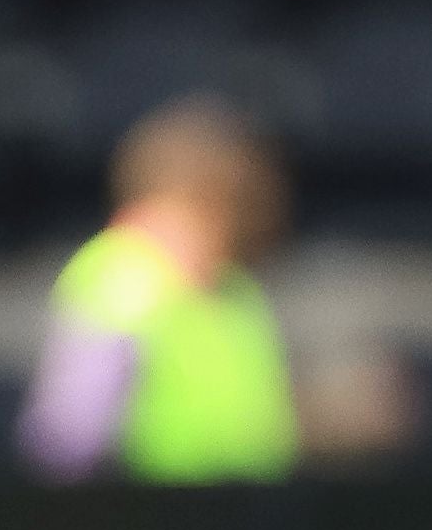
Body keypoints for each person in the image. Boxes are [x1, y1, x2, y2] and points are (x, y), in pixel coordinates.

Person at [19, 100, 311, 483]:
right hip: (148, 524)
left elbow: (259, 430)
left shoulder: (237, 293)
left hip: (242, 522)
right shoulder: (118, 280)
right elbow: (67, 437)